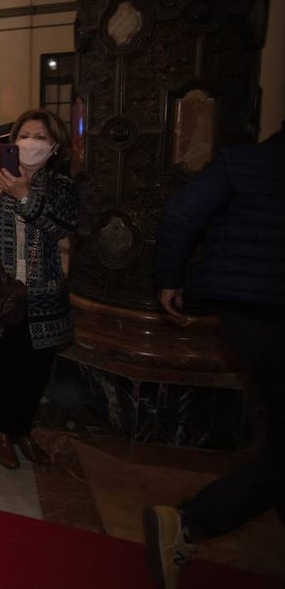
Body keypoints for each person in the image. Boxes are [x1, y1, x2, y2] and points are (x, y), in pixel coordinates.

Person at [145, 124, 285, 589]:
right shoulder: (243, 161)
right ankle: (190, 521)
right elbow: (184, 211)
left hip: (242, 318)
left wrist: (171, 278)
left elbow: (183, 212)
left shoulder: (243, 161)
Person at [0, 109, 78, 470]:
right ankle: (1, 432)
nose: (31, 144)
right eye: (24, 136)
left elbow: (63, 226)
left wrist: (26, 196)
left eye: (40, 138)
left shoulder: (62, 187)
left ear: (54, 146)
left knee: (34, 370)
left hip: (44, 296)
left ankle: (23, 430)